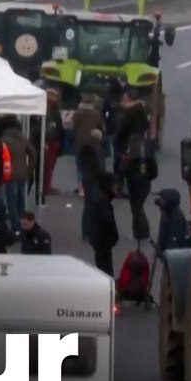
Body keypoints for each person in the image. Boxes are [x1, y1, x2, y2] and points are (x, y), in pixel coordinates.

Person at [115, 94, 156, 242]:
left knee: (136, 204)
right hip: (144, 169)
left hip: (134, 170)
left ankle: (140, 232)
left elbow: (118, 139)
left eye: (124, 98)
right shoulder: (145, 116)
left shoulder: (127, 118)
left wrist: (121, 167)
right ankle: (140, 231)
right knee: (138, 202)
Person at [0, 118, 36, 235]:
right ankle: (23, 224)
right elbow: (33, 153)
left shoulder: (3, 140)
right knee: (21, 201)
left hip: (9, 175)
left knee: (11, 202)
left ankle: (16, 227)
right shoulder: (23, 138)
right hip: (22, 174)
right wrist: (29, 169)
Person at [71, 92, 105, 198]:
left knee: (79, 166)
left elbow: (72, 125)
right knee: (90, 166)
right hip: (93, 142)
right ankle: (89, 186)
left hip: (79, 142)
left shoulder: (77, 113)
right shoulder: (96, 113)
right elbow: (102, 127)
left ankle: (81, 188)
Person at [87, 170, 120, 276]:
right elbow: (107, 221)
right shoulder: (104, 202)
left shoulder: (97, 198)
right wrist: (114, 236)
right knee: (106, 268)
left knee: (101, 265)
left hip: (98, 239)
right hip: (103, 240)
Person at [42, 88, 63, 199]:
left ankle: (47, 185)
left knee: (49, 165)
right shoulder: (51, 110)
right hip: (51, 139)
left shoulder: (50, 109)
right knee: (48, 165)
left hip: (53, 139)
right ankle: (47, 186)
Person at [154, 188, 191, 252]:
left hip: (173, 252)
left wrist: (161, 249)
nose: (160, 202)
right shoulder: (167, 212)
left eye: (162, 200)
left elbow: (174, 240)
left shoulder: (176, 218)